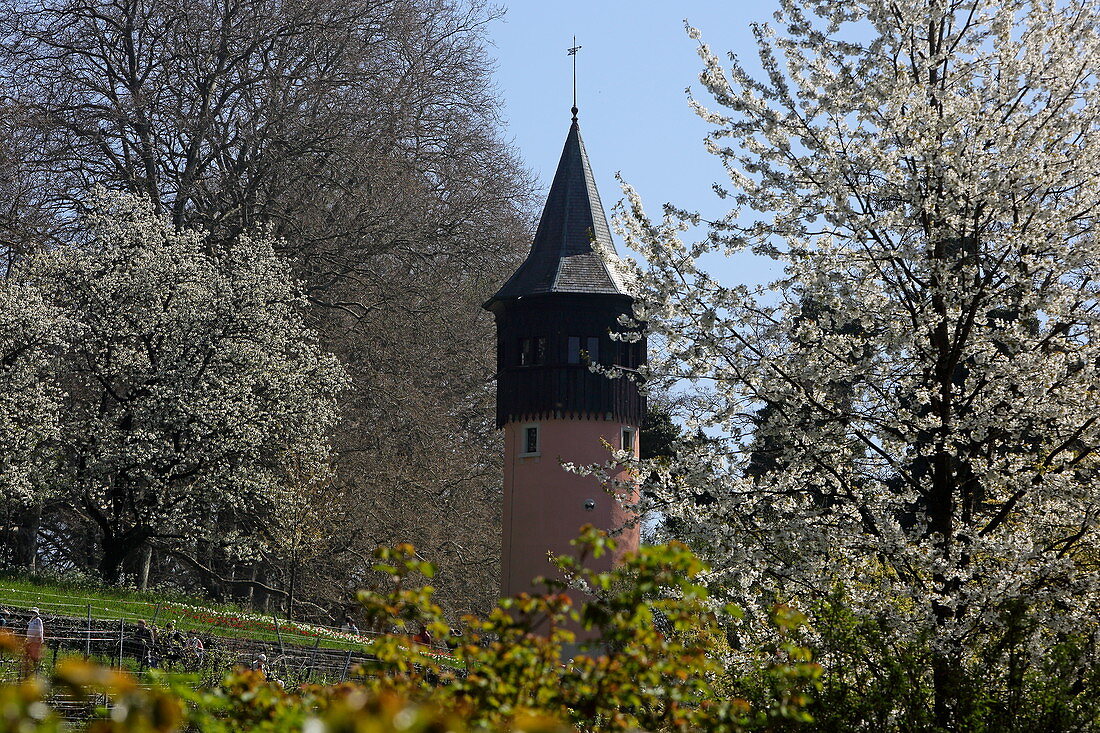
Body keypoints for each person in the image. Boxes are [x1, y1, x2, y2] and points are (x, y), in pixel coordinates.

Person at [22, 607, 44, 679]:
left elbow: (40, 631)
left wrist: (38, 640)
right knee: (28, 655)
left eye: (34, 613)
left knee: (34, 656)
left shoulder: (38, 620)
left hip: (35, 641)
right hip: (30, 641)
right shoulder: (32, 620)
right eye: (32, 613)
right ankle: (29, 670)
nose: (32, 614)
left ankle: (35, 671)